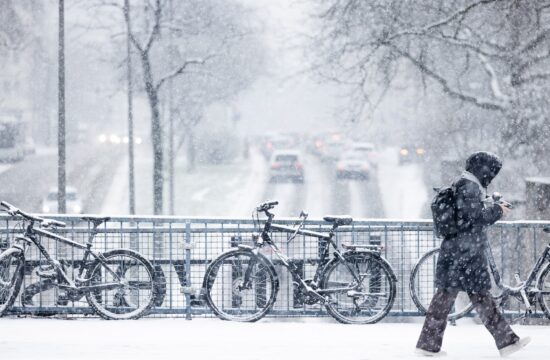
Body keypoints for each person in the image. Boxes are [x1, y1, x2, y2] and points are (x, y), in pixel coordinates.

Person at [415, 151, 530, 357]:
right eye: (491, 172)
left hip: (458, 252)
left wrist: (490, 206)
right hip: (465, 253)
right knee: (476, 298)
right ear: (483, 170)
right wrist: (497, 211)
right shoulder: (469, 186)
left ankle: (428, 345)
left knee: (452, 299)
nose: (492, 176)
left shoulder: (465, 183)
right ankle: (506, 342)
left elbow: (466, 215)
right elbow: (474, 218)